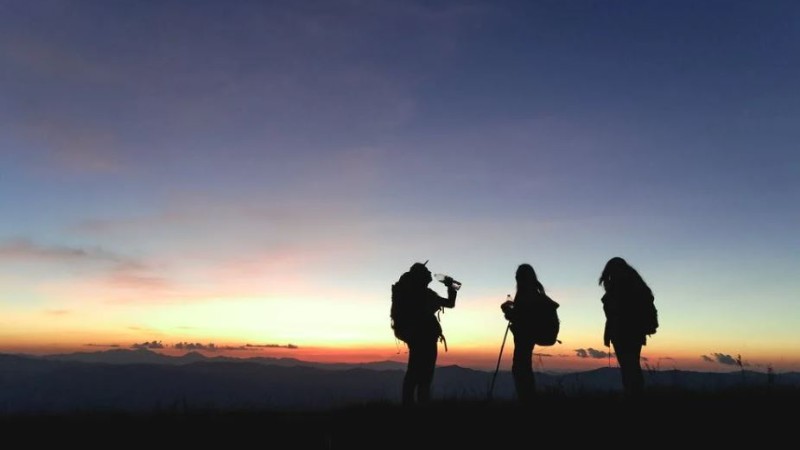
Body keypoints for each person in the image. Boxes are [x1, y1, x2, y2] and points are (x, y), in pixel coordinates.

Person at [391, 261, 457, 405]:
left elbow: (449, 304)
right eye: (426, 272)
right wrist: (451, 286)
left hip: (417, 336)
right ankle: (421, 404)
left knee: (415, 372)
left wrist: (450, 286)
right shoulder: (422, 293)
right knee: (424, 374)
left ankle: (410, 404)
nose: (429, 274)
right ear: (420, 276)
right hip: (424, 337)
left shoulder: (416, 292)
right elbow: (450, 303)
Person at [500, 263, 557, 403]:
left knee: (520, 368)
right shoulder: (535, 294)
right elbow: (523, 317)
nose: (517, 280)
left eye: (518, 277)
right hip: (529, 336)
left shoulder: (526, 295)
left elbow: (521, 318)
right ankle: (528, 400)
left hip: (525, 338)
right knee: (522, 367)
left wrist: (506, 310)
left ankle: (527, 401)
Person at [599, 256, 655, 397]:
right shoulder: (635, 284)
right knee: (632, 365)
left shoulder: (619, 286)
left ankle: (633, 395)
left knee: (628, 366)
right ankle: (635, 394)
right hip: (635, 332)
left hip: (622, 332)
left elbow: (614, 312)